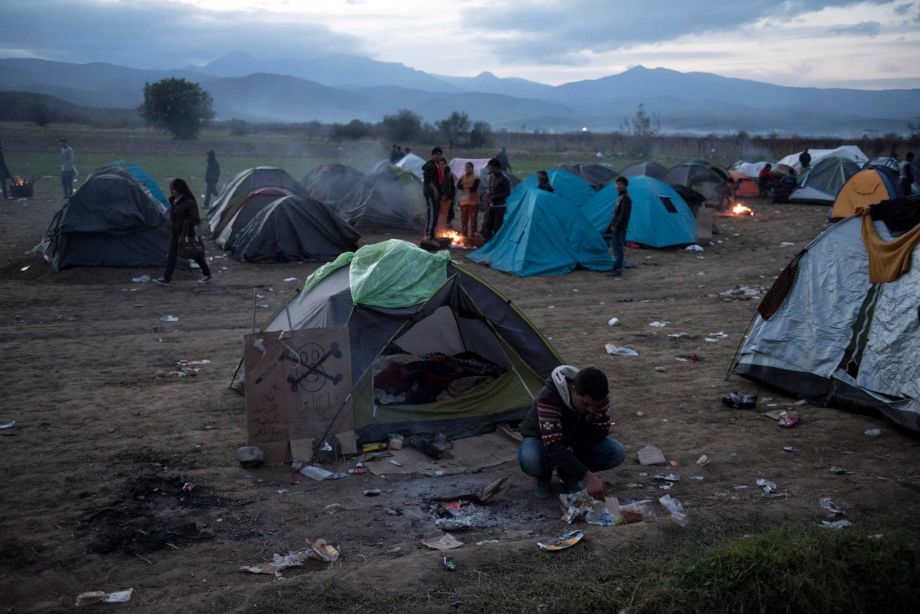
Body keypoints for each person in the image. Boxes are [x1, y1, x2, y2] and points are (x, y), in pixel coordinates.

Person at [518, 365, 625, 500]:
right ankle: (543, 476)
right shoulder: (549, 397)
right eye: (585, 404)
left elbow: (600, 431)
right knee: (530, 459)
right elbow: (553, 446)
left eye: (595, 406)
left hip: (574, 439)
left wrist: (574, 459)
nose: (591, 410)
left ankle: (568, 474)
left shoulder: (599, 397)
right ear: (573, 389)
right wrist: (589, 477)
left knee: (616, 452)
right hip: (541, 439)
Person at [153, 178, 213, 285]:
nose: (173, 192)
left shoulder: (188, 202)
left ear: (180, 189)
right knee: (172, 255)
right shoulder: (174, 201)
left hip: (186, 233)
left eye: (174, 189)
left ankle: (207, 273)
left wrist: (185, 223)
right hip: (176, 233)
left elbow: (195, 218)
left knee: (194, 254)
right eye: (172, 190)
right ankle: (166, 278)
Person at [607, 176, 631, 277]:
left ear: (625, 186)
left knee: (619, 249)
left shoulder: (626, 198)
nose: (617, 186)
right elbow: (616, 213)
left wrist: (616, 226)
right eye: (617, 184)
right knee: (615, 248)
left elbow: (623, 215)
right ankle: (616, 266)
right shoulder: (620, 196)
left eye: (619, 184)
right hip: (616, 227)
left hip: (620, 228)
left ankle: (619, 269)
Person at [481, 158, 510, 240]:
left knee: (497, 227)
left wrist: (494, 197)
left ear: (496, 167)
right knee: (488, 225)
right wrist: (487, 194)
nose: (489, 169)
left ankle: (496, 245)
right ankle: (487, 244)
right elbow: (489, 188)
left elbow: (507, 193)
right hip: (491, 205)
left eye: (490, 167)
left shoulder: (504, 179)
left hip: (500, 206)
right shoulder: (490, 176)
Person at [421, 147, 444, 240]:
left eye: (440, 154)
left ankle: (432, 234)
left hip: (436, 193)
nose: (438, 156)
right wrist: (435, 190)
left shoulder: (437, 165)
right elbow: (428, 180)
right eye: (437, 154)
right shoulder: (430, 165)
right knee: (431, 213)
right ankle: (428, 234)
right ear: (433, 155)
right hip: (431, 193)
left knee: (435, 213)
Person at [456, 162, 480, 237]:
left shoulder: (476, 177)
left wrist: (464, 185)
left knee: (473, 220)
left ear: (472, 168)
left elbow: (474, 188)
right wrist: (468, 186)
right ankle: (464, 236)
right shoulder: (462, 177)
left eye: (469, 167)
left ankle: (473, 237)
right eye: (466, 167)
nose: (467, 169)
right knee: (464, 220)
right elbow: (458, 186)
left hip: (473, 201)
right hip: (463, 201)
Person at [438, 158, 456, 227]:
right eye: (440, 164)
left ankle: (448, 225)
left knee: (448, 211)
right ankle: (444, 226)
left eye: (442, 164)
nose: (441, 166)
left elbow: (451, 185)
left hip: (449, 196)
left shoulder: (449, 173)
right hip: (442, 196)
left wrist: (447, 195)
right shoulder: (438, 173)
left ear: (445, 164)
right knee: (442, 212)